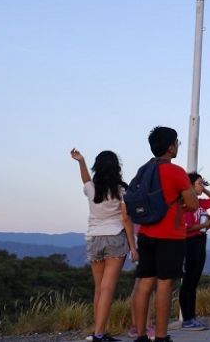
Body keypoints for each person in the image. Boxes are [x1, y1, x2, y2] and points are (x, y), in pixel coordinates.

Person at [132, 127, 198, 342]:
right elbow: (193, 203)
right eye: (177, 142)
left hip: (145, 233)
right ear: (170, 147)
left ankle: (140, 335)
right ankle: (161, 336)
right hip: (170, 235)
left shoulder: (144, 170)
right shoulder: (176, 171)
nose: (178, 145)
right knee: (164, 284)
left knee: (144, 283)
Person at [71, 148, 137, 342]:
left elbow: (85, 180)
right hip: (115, 237)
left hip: (93, 238)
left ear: (97, 167)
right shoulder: (121, 190)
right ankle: (99, 334)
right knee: (108, 288)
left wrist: (81, 161)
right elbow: (126, 219)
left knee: (99, 289)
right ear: (117, 167)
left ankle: (98, 331)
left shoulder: (91, 188)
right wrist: (133, 247)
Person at [179, 173, 210, 330]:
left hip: (200, 241)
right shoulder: (185, 205)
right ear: (190, 185)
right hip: (189, 242)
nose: (202, 185)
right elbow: (186, 228)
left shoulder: (200, 202)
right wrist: (203, 226)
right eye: (199, 183)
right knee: (188, 281)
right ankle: (187, 318)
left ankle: (192, 317)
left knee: (194, 281)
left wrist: (204, 190)